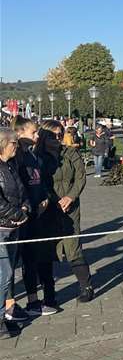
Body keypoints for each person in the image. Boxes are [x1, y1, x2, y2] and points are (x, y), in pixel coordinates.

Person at [37, 120, 94, 303]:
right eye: (54, 134)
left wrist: (70, 197)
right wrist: (54, 200)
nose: (59, 137)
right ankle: (49, 293)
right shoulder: (38, 157)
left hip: (71, 208)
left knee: (73, 247)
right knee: (48, 250)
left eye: (60, 133)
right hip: (48, 209)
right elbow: (39, 182)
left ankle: (86, 286)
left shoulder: (71, 153)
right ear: (45, 136)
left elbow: (80, 177)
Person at [11, 118, 58, 317]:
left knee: (34, 257)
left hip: (39, 213)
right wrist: (27, 206)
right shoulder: (17, 156)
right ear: (20, 132)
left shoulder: (33, 154)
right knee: (22, 261)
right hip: (24, 215)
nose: (37, 136)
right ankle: (24, 302)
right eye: (33, 133)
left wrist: (45, 196)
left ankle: (34, 300)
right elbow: (17, 186)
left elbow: (41, 180)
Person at [0, 128, 29, 339]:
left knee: (8, 276)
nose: (16, 147)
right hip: (2, 228)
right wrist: (16, 213)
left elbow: (21, 190)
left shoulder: (10, 165)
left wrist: (26, 206)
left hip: (14, 227)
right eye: (13, 144)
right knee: (5, 275)